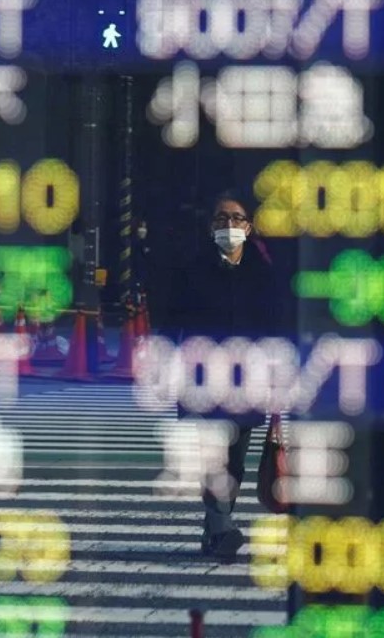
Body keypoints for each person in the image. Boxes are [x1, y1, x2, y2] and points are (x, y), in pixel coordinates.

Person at [163, 192, 279, 562]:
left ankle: (214, 531)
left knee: (234, 464)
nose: (228, 225)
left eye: (236, 218)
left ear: (249, 226)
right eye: (221, 218)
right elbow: (169, 325)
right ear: (210, 226)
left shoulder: (262, 274)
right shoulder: (189, 269)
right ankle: (223, 526)